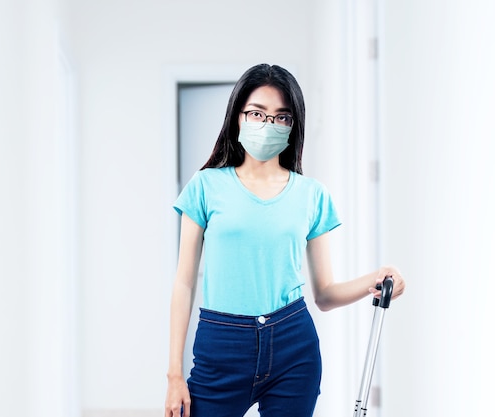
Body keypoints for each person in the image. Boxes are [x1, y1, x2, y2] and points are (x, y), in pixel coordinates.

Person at [164, 63, 405, 417]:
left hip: (293, 344)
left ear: (293, 127)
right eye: (257, 113)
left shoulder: (311, 195)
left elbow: (324, 294)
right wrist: (174, 375)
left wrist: (377, 278)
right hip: (221, 344)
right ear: (238, 117)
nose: (268, 124)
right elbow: (184, 284)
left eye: (281, 117)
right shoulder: (204, 187)